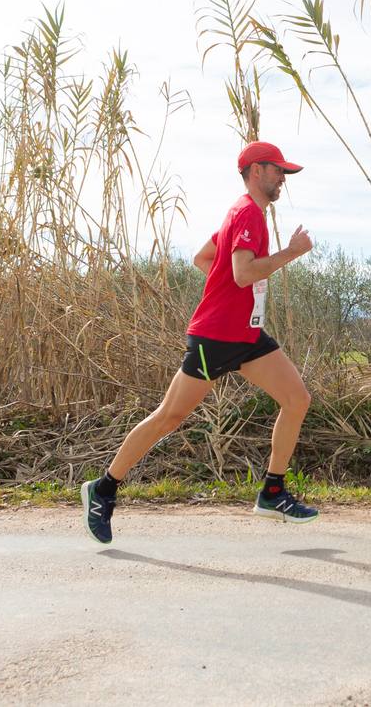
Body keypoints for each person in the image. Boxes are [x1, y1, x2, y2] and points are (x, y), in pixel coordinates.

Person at [82, 141, 319, 543]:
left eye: (284, 172)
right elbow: (243, 273)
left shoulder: (244, 214)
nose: (283, 178)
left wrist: (229, 289)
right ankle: (103, 488)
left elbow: (204, 258)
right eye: (278, 170)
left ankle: (272, 492)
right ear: (255, 171)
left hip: (245, 335)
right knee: (169, 417)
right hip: (214, 338)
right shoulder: (247, 213)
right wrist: (290, 253)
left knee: (297, 399)